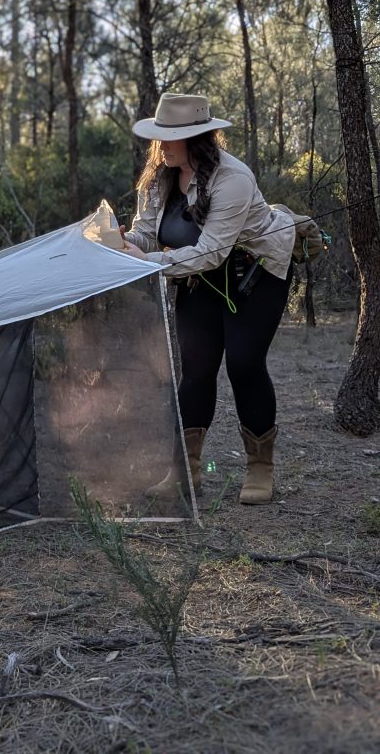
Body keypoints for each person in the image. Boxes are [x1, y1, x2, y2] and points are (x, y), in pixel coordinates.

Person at [120, 93, 295, 504]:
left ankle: (260, 470)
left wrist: (149, 262)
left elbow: (213, 250)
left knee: (243, 364)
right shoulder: (160, 175)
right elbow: (147, 232)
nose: (161, 145)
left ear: (196, 138)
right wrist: (121, 242)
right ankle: (185, 472)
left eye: (170, 137)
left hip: (254, 275)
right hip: (197, 277)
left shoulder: (233, 178)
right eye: (159, 136)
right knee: (196, 369)